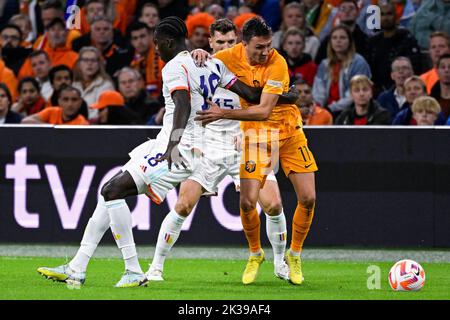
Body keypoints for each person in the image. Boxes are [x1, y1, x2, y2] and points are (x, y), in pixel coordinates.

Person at [36, 16, 265, 288]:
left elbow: (182, 103)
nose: (155, 50)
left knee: (112, 192)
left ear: (168, 42)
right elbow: (251, 94)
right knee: (108, 193)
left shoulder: (174, 67)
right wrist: (283, 92)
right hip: (178, 144)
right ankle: (77, 266)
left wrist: (173, 144)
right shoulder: (213, 65)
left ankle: (132, 270)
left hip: (179, 147)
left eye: (157, 44)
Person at [146, 18, 293, 283]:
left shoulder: (244, 67)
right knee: (183, 205)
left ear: (237, 42)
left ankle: (280, 262)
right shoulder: (199, 64)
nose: (226, 45)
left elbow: (259, 97)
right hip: (208, 144)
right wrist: (193, 54)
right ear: (210, 43)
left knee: (273, 204)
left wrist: (284, 97)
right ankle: (155, 267)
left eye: (230, 41)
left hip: (244, 142)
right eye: (220, 42)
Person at [195, 17, 318, 285]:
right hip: (255, 138)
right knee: (247, 202)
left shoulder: (278, 63)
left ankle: (294, 255)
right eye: (259, 47)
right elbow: (200, 63)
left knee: (307, 198)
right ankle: (255, 253)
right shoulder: (228, 56)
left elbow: (263, 110)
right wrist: (198, 53)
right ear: (244, 44)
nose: (265, 52)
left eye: (268, 46)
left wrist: (222, 113)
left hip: (288, 134)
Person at [312, 24, 371, 116]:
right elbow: (318, 92)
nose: (338, 41)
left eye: (342, 37)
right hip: (326, 111)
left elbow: (355, 93)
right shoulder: (324, 64)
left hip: (351, 111)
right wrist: (319, 109)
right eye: (334, 38)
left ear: (350, 42)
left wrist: (331, 108)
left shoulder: (359, 63)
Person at [72, 46, 115, 121]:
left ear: (99, 64)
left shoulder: (106, 85)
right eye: (85, 60)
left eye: (93, 60)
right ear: (79, 64)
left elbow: (101, 113)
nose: (89, 63)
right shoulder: (73, 85)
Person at [128, 22, 164, 98]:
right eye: (135, 38)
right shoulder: (130, 59)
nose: (139, 41)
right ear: (131, 42)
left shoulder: (164, 56)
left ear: (151, 36)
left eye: (142, 36)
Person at [21, 85, 89, 125]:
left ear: (80, 103)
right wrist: (51, 128)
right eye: (65, 99)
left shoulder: (83, 124)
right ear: (59, 102)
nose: (70, 104)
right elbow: (25, 121)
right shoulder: (51, 111)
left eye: (74, 100)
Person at [430, 53, 450, 120]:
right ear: (437, 71)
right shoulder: (429, 100)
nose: (446, 70)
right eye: (443, 67)